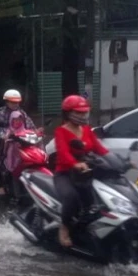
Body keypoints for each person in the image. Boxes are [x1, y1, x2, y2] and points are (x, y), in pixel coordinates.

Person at [53, 95, 109, 247]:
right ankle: (64, 228)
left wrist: (119, 160)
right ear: (68, 113)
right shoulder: (61, 131)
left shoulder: (87, 130)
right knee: (70, 197)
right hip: (65, 174)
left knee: (97, 202)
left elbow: (100, 149)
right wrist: (75, 164)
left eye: (84, 112)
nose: (83, 115)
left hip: (85, 173)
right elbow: (63, 153)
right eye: (78, 112)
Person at [0, 89, 35, 196]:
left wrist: (36, 134)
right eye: (13, 102)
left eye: (17, 102)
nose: (15, 104)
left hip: (16, 146)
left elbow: (31, 126)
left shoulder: (22, 114)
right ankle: (0, 187)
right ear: (6, 101)